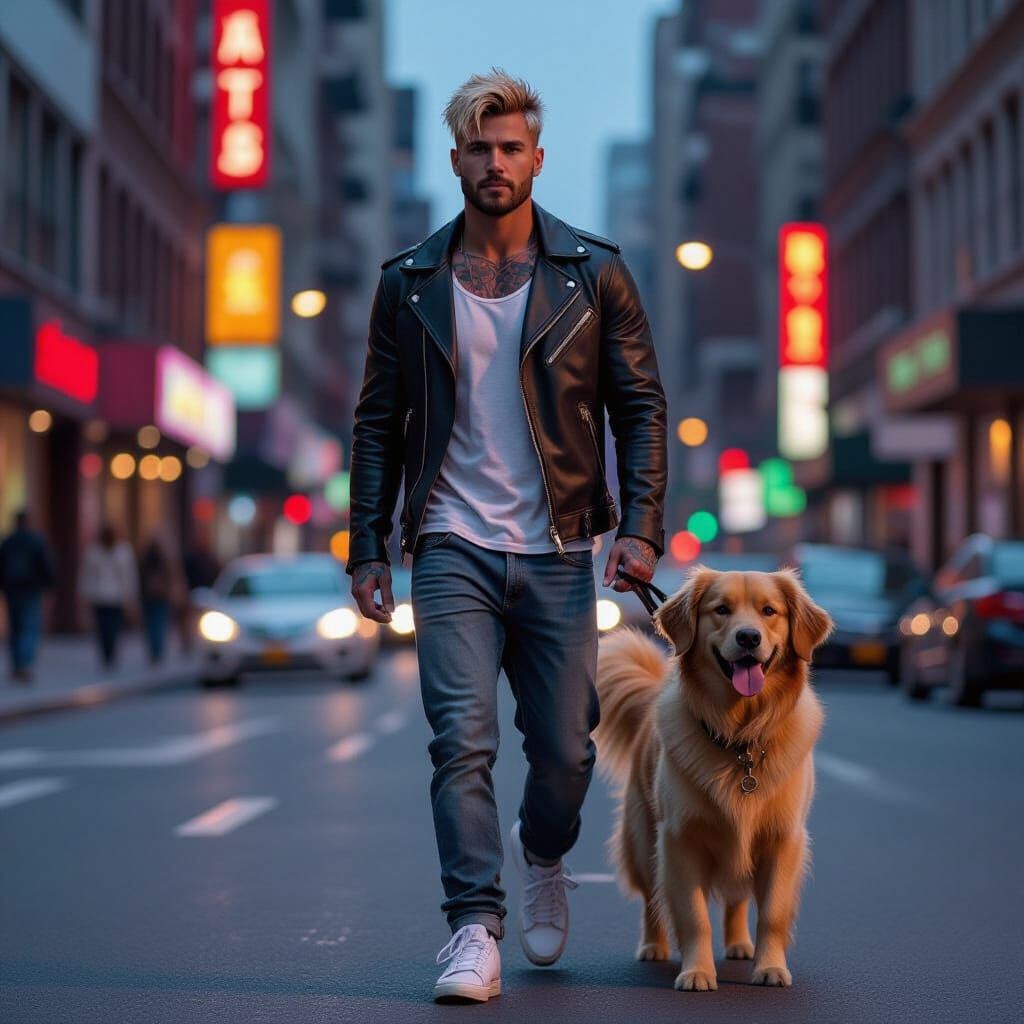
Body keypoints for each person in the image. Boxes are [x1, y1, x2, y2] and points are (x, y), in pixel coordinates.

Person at [346, 70, 667, 1003]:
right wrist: (368, 543)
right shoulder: (408, 282)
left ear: (537, 157)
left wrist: (639, 527)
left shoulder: (593, 273)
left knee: (565, 750)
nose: (495, 162)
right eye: (479, 148)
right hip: (449, 543)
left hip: (561, 547)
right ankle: (473, 930)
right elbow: (378, 421)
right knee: (461, 741)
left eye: (511, 147)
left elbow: (640, 408)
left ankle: (544, 853)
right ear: (455, 159)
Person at [0, 510, 56, 683]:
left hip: (12, 590)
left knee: (16, 627)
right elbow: (46, 565)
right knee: (29, 627)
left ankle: (18, 665)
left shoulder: (8, 542)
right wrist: (49, 586)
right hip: (31, 590)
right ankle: (24, 664)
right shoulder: (35, 541)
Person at [79, 523, 138, 670]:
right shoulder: (94, 552)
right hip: (101, 596)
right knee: (104, 627)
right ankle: (107, 654)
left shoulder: (122, 551)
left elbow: (128, 576)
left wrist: (129, 595)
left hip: (114, 596)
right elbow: (87, 575)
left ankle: (110, 654)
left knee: (111, 627)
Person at [138, 537, 178, 664]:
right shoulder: (163, 560)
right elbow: (170, 577)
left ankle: (154, 651)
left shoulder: (145, 560)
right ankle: (158, 650)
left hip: (149, 597)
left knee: (151, 625)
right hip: (160, 597)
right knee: (159, 624)